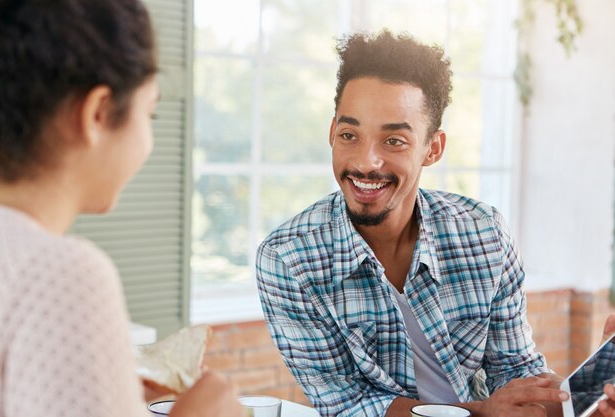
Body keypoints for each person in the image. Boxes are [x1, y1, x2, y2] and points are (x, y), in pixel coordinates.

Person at [255, 30, 615, 417]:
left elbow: (514, 371)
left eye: (394, 141)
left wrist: (581, 402)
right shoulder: (288, 257)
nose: (365, 162)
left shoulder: (485, 232)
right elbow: (347, 405)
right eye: (349, 135)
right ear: (331, 133)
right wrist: (479, 413)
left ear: (433, 148)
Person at [0, 1, 245, 417]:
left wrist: (104, 387)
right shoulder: (60, 274)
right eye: (151, 112)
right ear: (98, 113)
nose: (149, 140)